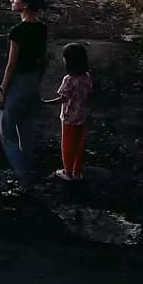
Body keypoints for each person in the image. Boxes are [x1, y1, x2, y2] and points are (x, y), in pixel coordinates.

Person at [0, 0, 47, 191]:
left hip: (18, 83)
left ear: (25, 4)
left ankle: (23, 178)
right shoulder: (42, 28)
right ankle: (27, 172)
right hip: (34, 82)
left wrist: (1, 90)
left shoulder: (17, 31)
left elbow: (11, 65)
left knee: (6, 133)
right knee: (26, 131)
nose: (12, 0)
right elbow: (42, 59)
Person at [43, 42, 93, 181]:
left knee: (67, 145)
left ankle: (67, 172)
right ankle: (76, 171)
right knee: (78, 144)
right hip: (82, 116)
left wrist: (45, 102)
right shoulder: (87, 77)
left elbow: (63, 98)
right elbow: (89, 94)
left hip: (69, 117)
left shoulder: (69, 80)